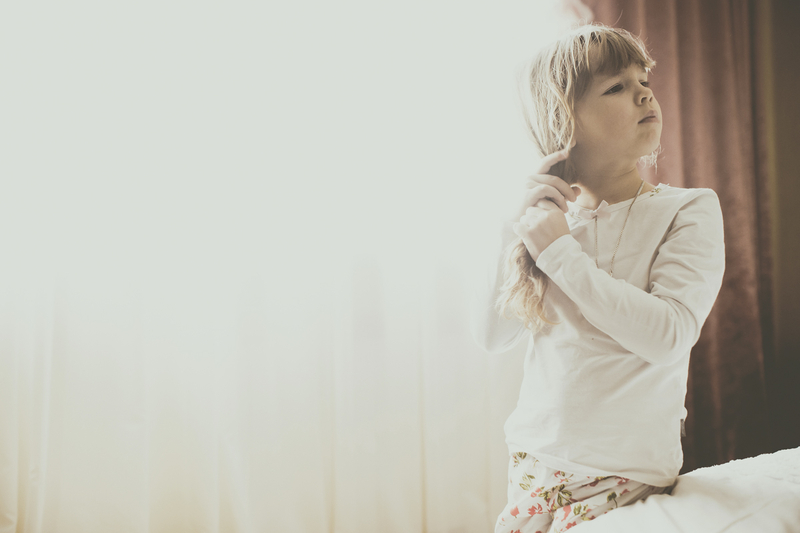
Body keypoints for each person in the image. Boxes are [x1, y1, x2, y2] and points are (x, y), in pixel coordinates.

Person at [471, 24, 726, 532]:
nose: (644, 93)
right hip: (535, 461)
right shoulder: (545, 222)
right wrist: (512, 230)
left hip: (627, 473)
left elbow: (668, 336)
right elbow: (493, 336)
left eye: (643, 80)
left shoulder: (688, 209)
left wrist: (560, 253)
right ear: (564, 121)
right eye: (616, 87)